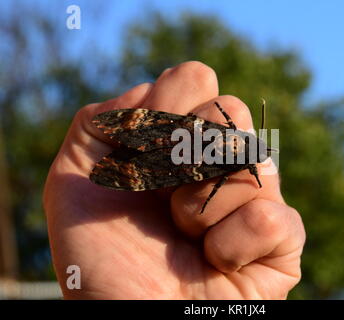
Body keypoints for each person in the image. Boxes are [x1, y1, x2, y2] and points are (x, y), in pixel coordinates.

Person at [43, 61, 306, 299]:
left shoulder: (230, 138)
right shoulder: (239, 164)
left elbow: (226, 121)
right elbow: (222, 178)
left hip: (179, 139)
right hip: (180, 163)